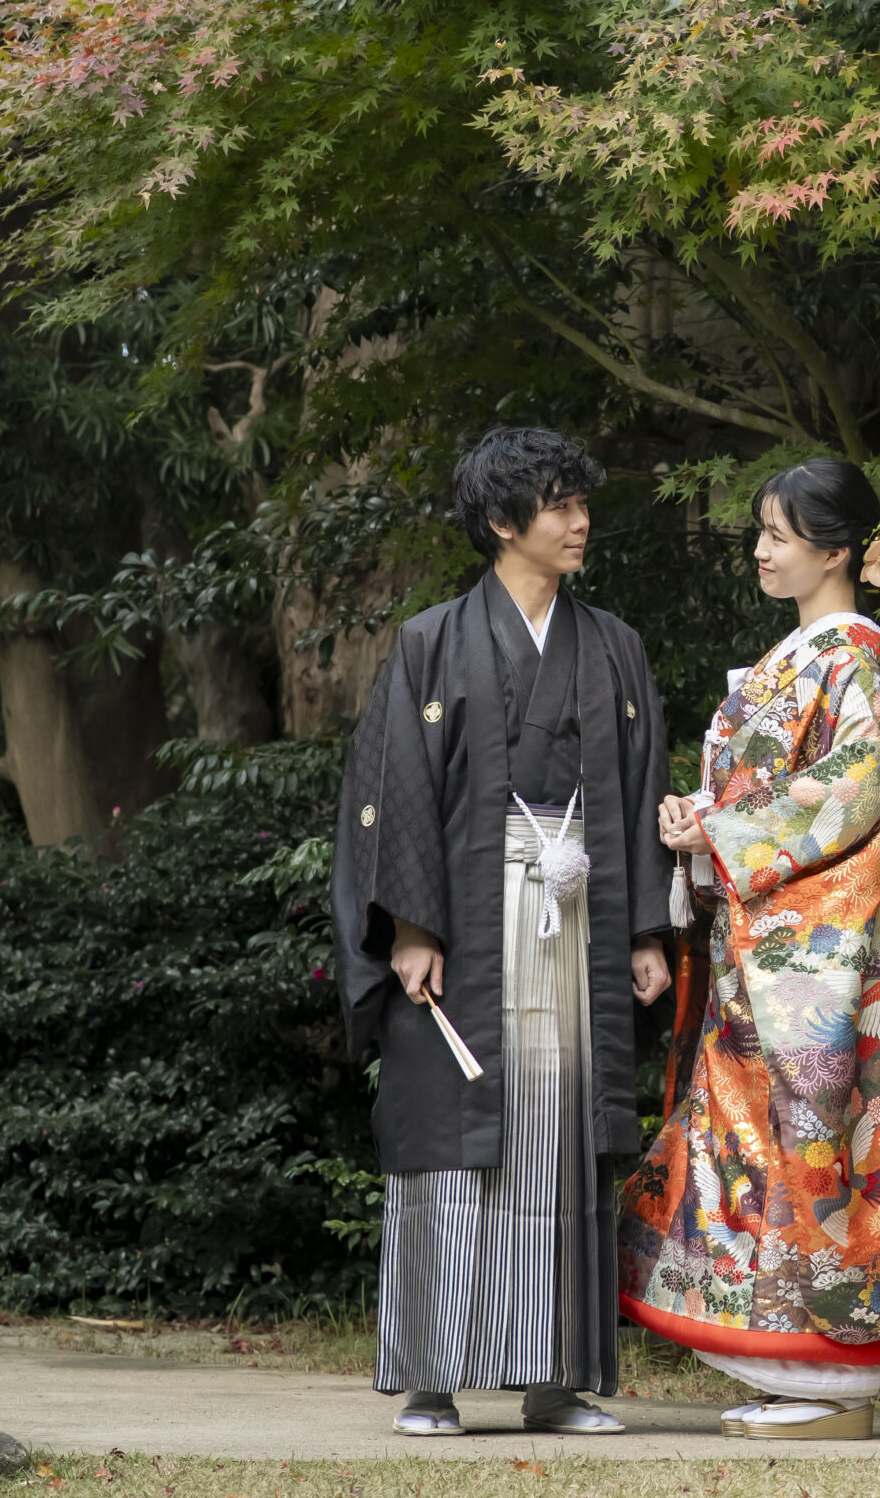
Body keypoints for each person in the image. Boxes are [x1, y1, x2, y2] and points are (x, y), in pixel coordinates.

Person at [618, 457, 880, 1441]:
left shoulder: (849, 657)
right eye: (761, 533)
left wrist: (720, 829)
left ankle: (828, 1375)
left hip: (810, 951)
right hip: (773, 940)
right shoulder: (805, 656)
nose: (759, 550)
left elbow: (853, 793)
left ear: (835, 552)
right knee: (760, 1147)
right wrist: (702, 822)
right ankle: (790, 1367)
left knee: (808, 1149)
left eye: (777, 535)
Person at [332, 425, 673, 1438]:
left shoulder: (613, 645)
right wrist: (410, 927)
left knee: (561, 1128)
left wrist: (645, 930)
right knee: (452, 1127)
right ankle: (432, 1376)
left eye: (580, 502)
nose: (579, 522)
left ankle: (556, 1381)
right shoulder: (431, 642)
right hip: (466, 920)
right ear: (500, 521)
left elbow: (641, 786)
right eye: (559, 505)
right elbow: (390, 792)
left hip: (579, 915)